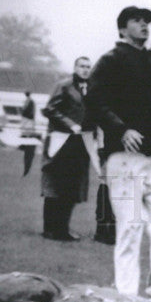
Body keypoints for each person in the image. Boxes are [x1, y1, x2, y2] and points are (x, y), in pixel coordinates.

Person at [85, 6, 151, 302]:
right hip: (124, 160)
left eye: (146, 21)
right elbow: (95, 101)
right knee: (129, 229)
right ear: (122, 28)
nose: (143, 25)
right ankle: (126, 298)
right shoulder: (110, 61)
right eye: (136, 21)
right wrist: (120, 130)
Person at [40, 58, 93, 240]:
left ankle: (63, 228)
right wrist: (70, 124)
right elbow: (49, 109)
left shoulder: (90, 88)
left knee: (73, 186)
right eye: (82, 66)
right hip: (60, 140)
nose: (85, 70)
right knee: (56, 185)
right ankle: (51, 229)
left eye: (88, 67)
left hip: (79, 143)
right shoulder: (64, 85)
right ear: (74, 67)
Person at [20, 91, 38, 177]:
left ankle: (27, 170)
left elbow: (27, 112)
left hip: (28, 123)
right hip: (27, 123)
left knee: (28, 153)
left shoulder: (29, 102)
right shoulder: (29, 101)